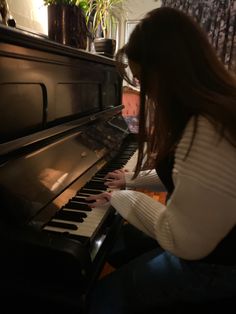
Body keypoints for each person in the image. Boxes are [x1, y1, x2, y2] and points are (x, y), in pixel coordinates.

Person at [85, 6, 236, 314]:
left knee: (102, 298)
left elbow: (181, 239)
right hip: (211, 241)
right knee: (121, 243)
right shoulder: (215, 109)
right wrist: (132, 180)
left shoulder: (207, 130)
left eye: (143, 80)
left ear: (166, 72)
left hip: (218, 266)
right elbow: (187, 174)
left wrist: (120, 196)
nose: (146, 93)